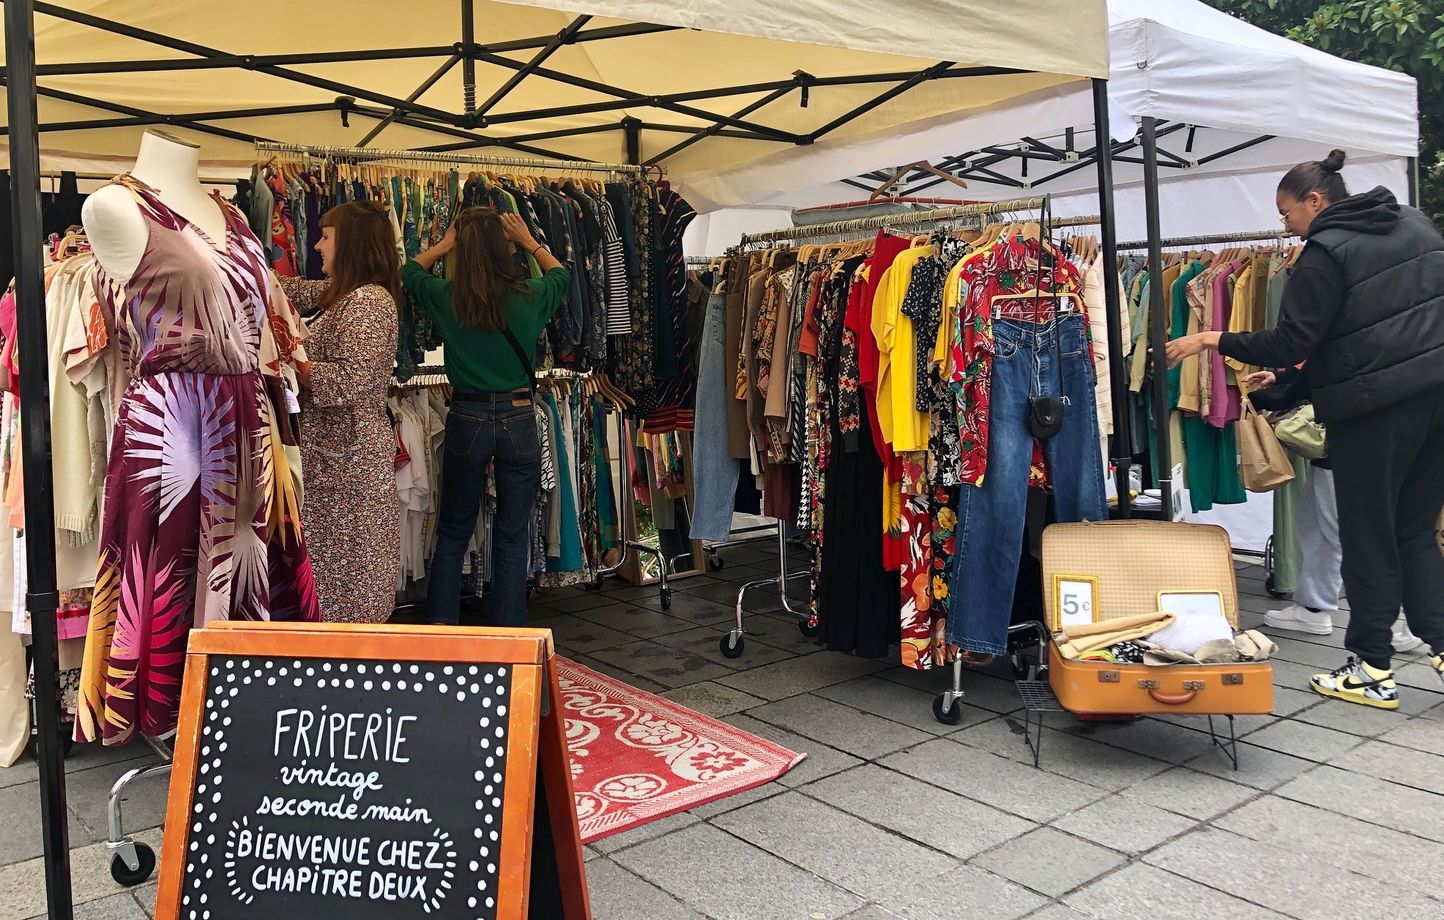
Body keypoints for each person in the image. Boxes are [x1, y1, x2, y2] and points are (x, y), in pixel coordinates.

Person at [1166, 149, 1444, 710]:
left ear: (1315, 201)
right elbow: (1364, 334)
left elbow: (1294, 341)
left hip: (1373, 411)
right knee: (1414, 530)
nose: (1284, 225)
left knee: (1368, 535)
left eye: (1286, 213)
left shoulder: (1324, 254)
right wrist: (1292, 387)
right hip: (1435, 398)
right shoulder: (1417, 225)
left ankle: (1371, 667)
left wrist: (1210, 339)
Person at [402, 208, 569, 626]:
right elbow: (562, 275)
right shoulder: (529, 294)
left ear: (463, 250)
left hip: (467, 414)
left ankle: (443, 631)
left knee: (454, 530)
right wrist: (530, 241)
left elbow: (409, 272)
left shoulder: (448, 296)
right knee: (513, 536)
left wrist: (444, 243)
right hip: (517, 415)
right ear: (503, 248)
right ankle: (508, 635)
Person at [278, 201, 402, 624]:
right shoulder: (345, 293)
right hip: (338, 458)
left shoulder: (368, 301)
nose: (316, 245)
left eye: (326, 236)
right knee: (337, 567)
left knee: (353, 569)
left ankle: (353, 659)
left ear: (351, 243)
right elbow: (291, 289)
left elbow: (350, 380)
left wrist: (292, 358)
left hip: (350, 460)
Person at [1245, 367, 1423, 653]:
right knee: (1320, 525)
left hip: (1360, 436)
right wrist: (1284, 380)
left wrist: (1273, 395)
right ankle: (1313, 608)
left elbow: (1331, 363)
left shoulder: (1371, 325)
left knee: (1352, 535)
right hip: (1375, 433)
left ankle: (1419, 617)